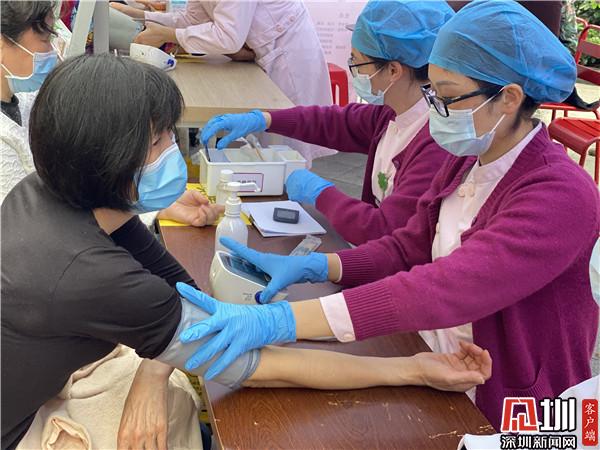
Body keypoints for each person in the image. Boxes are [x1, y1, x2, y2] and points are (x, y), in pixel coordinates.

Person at [1, 54, 493, 450]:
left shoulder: (50, 189)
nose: (174, 149)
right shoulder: (92, 274)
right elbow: (259, 368)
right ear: (109, 161)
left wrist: (160, 356)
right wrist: (410, 369)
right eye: (159, 141)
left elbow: (181, 291)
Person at [174, 0, 600, 430]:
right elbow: (407, 247)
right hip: (442, 364)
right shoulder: (469, 159)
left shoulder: (561, 195)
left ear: (508, 98)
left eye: (447, 96)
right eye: (433, 92)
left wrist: (282, 321)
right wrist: (321, 265)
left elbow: (449, 285)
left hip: (518, 404)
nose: (434, 108)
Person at [200, 0, 453, 246]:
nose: (354, 70)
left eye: (357, 62)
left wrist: (322, 194)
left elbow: (382, 229)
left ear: (393, 71)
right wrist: (265, 119)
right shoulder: (393, 113)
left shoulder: (435, 145)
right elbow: (336, 122)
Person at [0, 0, 222, 228]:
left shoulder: (28, 97)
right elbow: (33, 221)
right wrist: (143, 207)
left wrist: (153, 205)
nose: (54, 51)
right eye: (46, 40)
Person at [110, 0, 334, 162]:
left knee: (286, 152)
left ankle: (289, 205)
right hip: (262, 52)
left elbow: (228, 37)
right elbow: (193, 19)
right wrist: (140, 17)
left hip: (287, 55)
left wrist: (167, 34)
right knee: (263, 150)